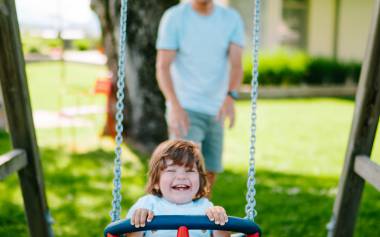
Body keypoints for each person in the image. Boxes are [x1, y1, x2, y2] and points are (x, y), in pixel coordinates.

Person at [155, 0, 244, 190]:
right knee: (182, 172)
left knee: (210, 173)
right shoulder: (175, 17)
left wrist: (230, 96)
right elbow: (163, 67)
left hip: (216, 109)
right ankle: (179, 219)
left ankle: (203, 218)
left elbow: (237, 65)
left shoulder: (231, 18)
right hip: (185, 107)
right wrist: (175, 106)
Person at [126, 140, 230, 237]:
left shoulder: (205, 207)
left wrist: (220, 221)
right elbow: (127, 234)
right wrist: (137, 223)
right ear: (156, 181)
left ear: (200, 179)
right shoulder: (147, 204)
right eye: (171, 171)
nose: (181, 176)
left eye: (189, 170)